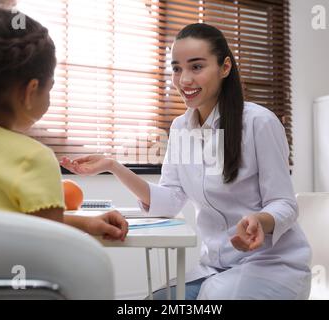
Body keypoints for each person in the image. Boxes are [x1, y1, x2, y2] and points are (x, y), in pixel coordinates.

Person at [61, 23, 311, 299]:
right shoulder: (181, 128)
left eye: (196, 67)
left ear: (225, 67)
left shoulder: (258, 122)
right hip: (217, 267)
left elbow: (285, 204)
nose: (184, 80)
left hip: (270, 266)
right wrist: (113, 166)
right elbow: (170, 199)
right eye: (177, 68)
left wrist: (259, 220)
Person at [0, 7, 128, 241]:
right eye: (49, 88)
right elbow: (47, 249)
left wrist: (84, 222)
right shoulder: (33, 159)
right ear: (31, 91)